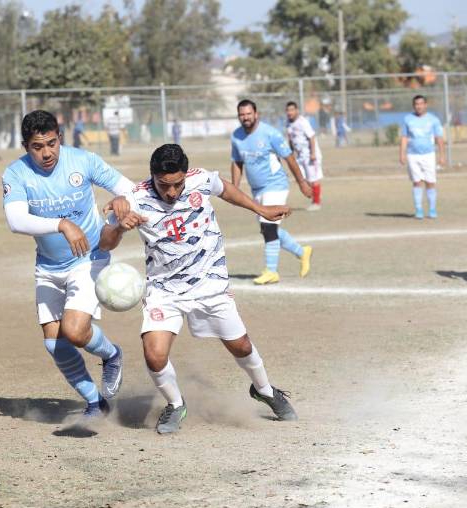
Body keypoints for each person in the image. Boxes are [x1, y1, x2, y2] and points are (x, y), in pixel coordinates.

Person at [99, 144, 298, 434]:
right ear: (152, 177)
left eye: (177, 184)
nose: (171, 192)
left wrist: (260, 208)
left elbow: (225, 188)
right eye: (164, 185)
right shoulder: (133, 198)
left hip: (210, 282)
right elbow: (105, 242)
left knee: (241, 346)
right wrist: (118, 227)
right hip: (164, 289)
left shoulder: (201, 179)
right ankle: (175, 404)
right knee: (154, 354)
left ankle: (265, 390)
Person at [1, 110, 134, 418]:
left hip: (89, 260)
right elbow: (16, 220)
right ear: (25, 146)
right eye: (37, 146)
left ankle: (112, 354)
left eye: (51, 143)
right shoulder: (15, 174)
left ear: (60, 138)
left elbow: (128, 187)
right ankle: (95, 403)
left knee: (74, 332)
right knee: (53, 342)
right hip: (48, 266)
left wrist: (120, 201)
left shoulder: (83, 160)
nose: (46, 152)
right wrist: (62, 223)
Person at [231, 99, 313, 285]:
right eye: (241, 114)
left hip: (275, 184)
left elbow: (289, 158)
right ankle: (302, 252)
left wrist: (302, 182)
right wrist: (234, 189)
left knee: (268, 226)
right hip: (257, 189)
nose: (245, 117)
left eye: (248, 113)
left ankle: (271, 271)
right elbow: (236, 162)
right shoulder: (236, 136)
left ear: (256, 114)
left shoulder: (270, 134)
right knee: (267, 228)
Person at [400, 95, 445, 219]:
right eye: (416, 104)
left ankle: (432, 209)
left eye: (421, 104)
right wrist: (402, 154)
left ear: (425, 105)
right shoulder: (407, 119)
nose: (418, 106)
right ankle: (418, 209)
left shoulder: (433, 120)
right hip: (412, 155)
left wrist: (442, 155)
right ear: (413, 105)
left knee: (430, 182)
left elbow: (439, 138)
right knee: (416, 182)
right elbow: (404, 137)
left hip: (429, 154)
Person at [286, 101, 324, 211]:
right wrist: (291, 153)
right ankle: (316, 195)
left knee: (313, 178)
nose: (289, 112)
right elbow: (290, 138)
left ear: (296, 110)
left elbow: (312, 137)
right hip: (300, 155)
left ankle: (316, 203)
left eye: (292, 110)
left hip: (309, 155)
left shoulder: (303, 122)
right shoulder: (288, 123)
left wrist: (313, 153)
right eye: (288, 110)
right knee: (302, 178)